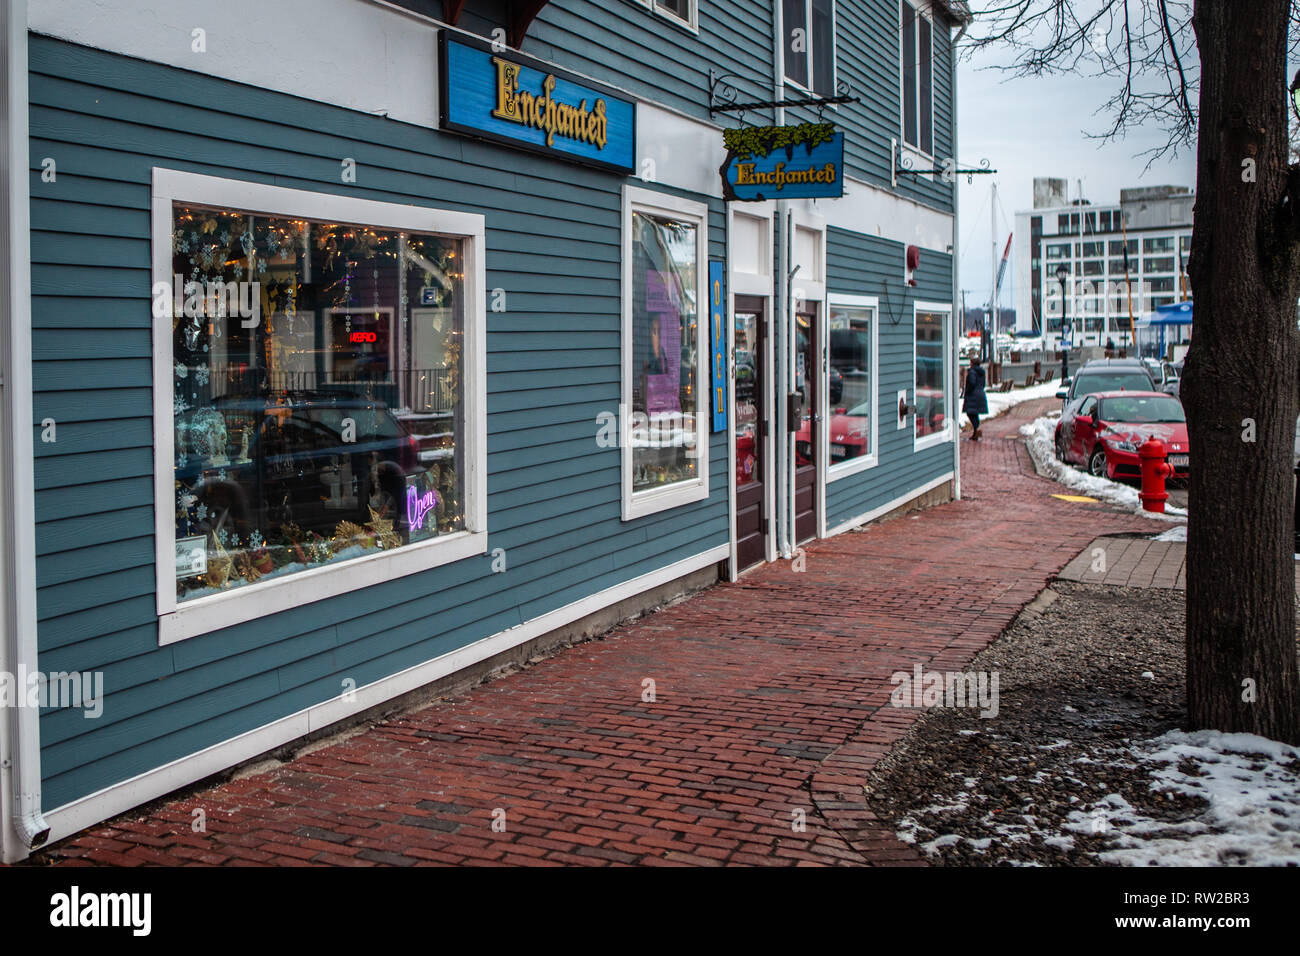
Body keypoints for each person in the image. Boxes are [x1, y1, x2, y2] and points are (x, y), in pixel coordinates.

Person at [962, 356, 989, 440]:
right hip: (980, 394)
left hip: (973, 395)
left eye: (970, 362)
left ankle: (977, 429)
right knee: (974, 413)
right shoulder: (982, 372)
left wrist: (968, 391)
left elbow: (971, 383)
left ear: (972, 363)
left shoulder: (972, 372)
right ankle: (975, 432)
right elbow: (983, 384)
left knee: (970, 413)